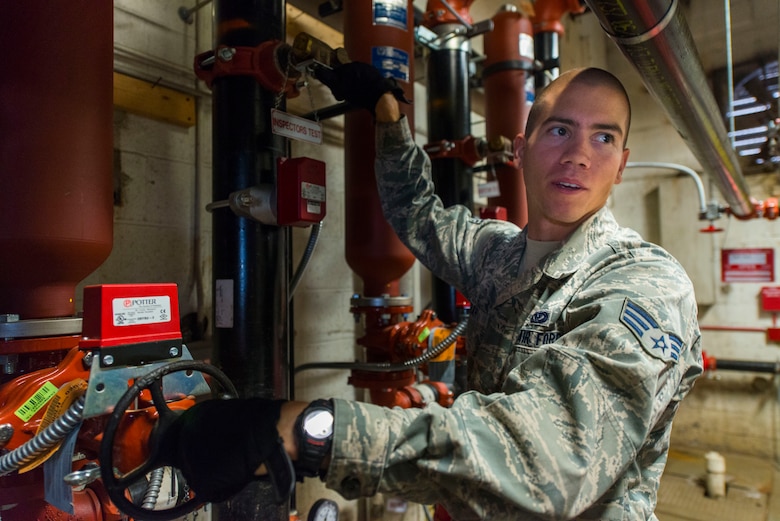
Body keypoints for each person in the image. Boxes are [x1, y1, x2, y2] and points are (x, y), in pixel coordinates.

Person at [160, 64, 703, 520]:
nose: (580, 155)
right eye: (560, 130)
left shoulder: (643, 284)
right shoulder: (497, 255)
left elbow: (556, 459)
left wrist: (307, 432)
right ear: (521, 148)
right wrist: (387, 113)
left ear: (623, 165)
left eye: (603, 137)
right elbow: (418, 213)